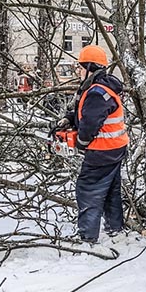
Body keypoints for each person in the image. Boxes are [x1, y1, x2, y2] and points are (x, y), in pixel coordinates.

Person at [56, 45, 128, 245]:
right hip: (115, 148)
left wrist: (80, 142)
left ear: (90, 67)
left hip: (102, 151)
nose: (78, 71)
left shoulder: (96, 92)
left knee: (88, 191)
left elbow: (90, 123)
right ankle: (115, 228)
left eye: (80, 67)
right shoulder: (103, 87)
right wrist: (69, 119)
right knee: (111, 190)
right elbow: (87, 113)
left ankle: (87, 238)